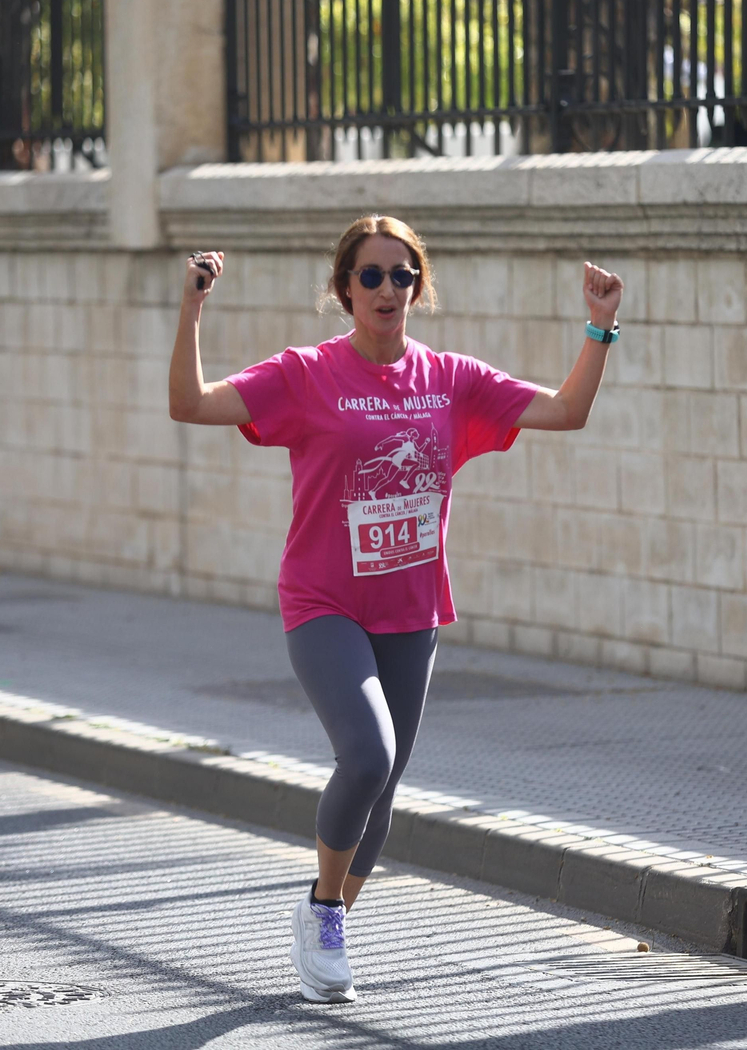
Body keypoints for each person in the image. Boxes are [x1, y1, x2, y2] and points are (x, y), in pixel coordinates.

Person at [169, 215, 623, 1004]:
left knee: (383, 794)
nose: (387, 289)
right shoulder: (306, 372)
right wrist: (191, 310)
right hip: (323, 604)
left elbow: (564, 411)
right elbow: (191, 404)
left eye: (401, 274)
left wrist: (600, 328)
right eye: (371, 275)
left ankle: (329, 921)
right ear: (344, 288)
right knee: (368, 754)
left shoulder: (451, 379)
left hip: (412, 611)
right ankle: (322, 910)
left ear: (419, 286)